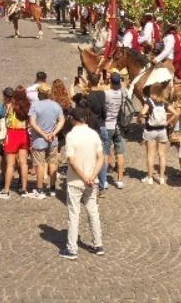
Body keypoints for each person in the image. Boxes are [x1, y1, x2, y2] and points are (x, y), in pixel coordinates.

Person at [60, 107, 105, 260]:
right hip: (92, 181)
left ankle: (72, 248)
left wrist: (84, 177)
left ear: (72, 118)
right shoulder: (93, 134)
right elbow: (101, 158)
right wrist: (92, 176)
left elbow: (71, 161)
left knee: (74, 214)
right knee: (93, 212)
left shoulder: (71, 136)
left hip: (75, 181)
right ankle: (98, 244)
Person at [29, 83, 64, 199]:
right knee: (53, 163)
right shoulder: (56, 105)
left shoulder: (35, 105)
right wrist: (53, 133)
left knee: (39, 164)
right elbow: (61, 121)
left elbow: (32, 122)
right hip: (53, 139)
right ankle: (52, 188)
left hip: (39, 140)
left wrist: (43, 134)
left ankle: (40, 189)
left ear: (40, 93)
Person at [0, 87, 31, 199]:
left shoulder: (10, 106)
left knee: (10, 164)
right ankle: (24, 188)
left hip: (12, 134)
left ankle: (6, 190)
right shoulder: (28, 107)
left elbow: (6, 121)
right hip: (24, 134)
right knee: (24, 163)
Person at [139, 83, 171, 185]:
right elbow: (176, 113)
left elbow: (143, 113)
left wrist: (140, 116)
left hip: (151, 130)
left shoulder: (149, 101)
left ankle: (150, 178)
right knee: (162, 155)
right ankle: (161, 178)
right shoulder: (164, 102)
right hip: (162, 130)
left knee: (150, 155)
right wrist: (168, 122)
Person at [101, 74, 128, 191]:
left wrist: (104, 82)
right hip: (117, 126)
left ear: (110, 82)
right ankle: (120, 180)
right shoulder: (122, 93)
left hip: (107, 125)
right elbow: (125, 86)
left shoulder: (107, 94)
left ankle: (104, 180)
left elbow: (101, 91)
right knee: (120, 152)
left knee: (106, 153)